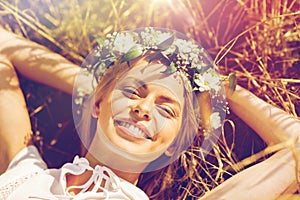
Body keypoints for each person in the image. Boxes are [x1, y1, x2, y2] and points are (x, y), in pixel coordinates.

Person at [0, 27, 299, 200]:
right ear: (97, 104)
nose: (143, 108)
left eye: (166, 109)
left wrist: (221, 87)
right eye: (134, 93)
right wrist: (99, 88)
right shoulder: (24, 171)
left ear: (174, 145)